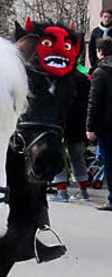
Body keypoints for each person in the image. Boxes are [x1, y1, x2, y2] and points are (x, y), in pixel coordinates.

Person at [50, 67, 91, 202]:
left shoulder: (59, 78)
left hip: (62, 125)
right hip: (80, 126)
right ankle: (84, 191)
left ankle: (62, 192)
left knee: (59, 158)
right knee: (78, 158)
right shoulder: (84, 79)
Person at [86, 37, 112, 211]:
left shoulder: (100, 72)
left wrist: (90, 127)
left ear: (100, 51)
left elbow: (94, 102)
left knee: (109, 162)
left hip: (107, 125)